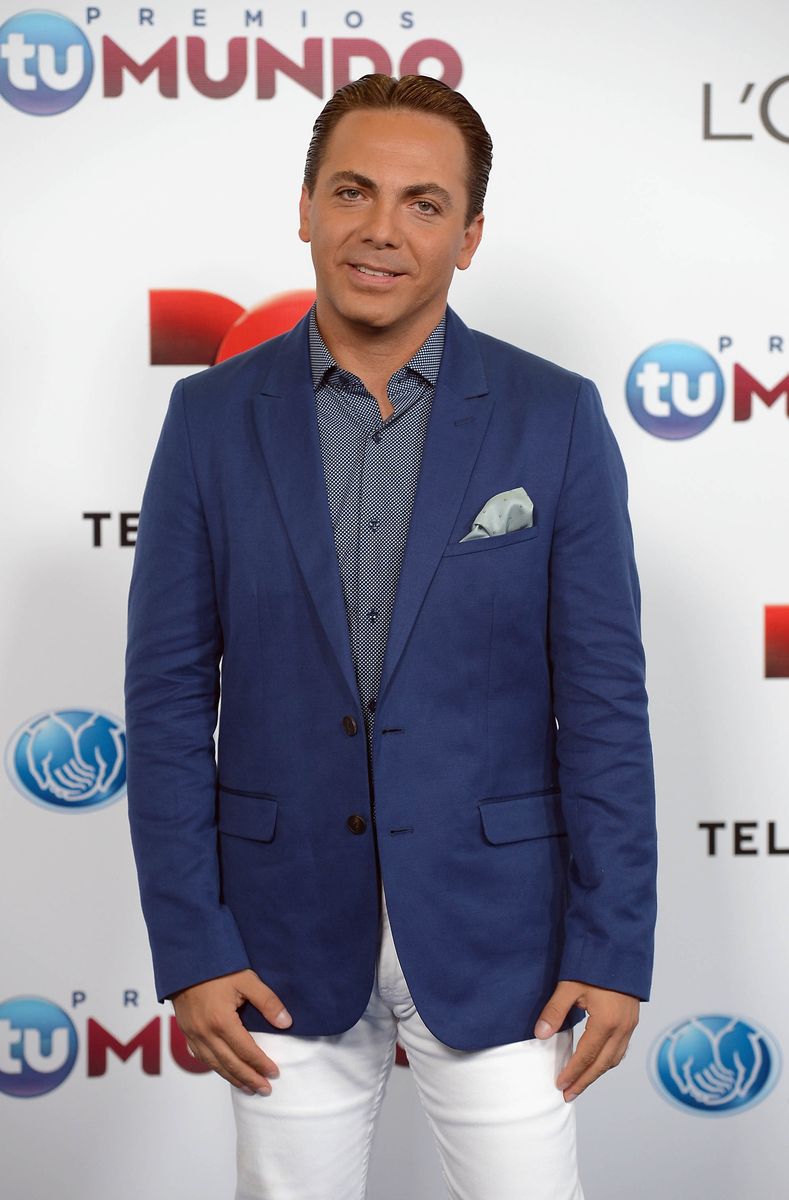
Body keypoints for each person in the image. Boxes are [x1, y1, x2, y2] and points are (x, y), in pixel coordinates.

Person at [125, 73, 657, 1200]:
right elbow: (169, 699)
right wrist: (192, 943)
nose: (381, 230)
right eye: (354, 191)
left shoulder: (553, 416)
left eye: (423, 204)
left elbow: (603, 703)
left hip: (505, 938)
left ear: (469, 237)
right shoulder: (209, 421)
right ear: (306, 205)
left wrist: (613, 946)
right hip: (274, 939)